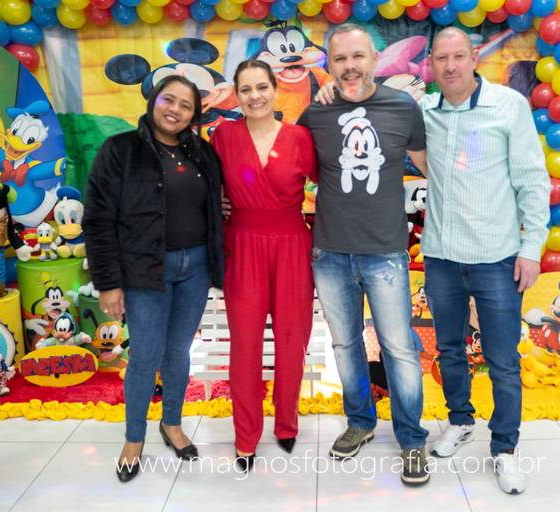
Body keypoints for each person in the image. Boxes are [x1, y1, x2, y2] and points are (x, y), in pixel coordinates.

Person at [297, 23, 430, 486]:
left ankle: (412, 439)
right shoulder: (316, 113)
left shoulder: (403, 106)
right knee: (345, 344)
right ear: (329, 65)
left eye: (357, 56)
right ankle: (360, 422)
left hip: (386, 253)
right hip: (330, 253)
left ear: (375, 59)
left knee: (399, 346)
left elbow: (429, 165)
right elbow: (289, 166)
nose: (349, 66)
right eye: (340, 59)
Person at [420, 27, 550, 495]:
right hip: (440, 256)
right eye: (441, 58)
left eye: (458, 56)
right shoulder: (425, 111)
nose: (450, 65)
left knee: (503, 359)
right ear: (431, 64)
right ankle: (460, 420)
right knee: (449, 349)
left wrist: (531, 249)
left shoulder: (508, 106)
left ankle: (505, 448)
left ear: (474, 57)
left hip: (496, 257)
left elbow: (532, 181)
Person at [83, 75, 225, 483]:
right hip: (144, 270)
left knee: (178, 351)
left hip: (195, 267)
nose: (175, 109)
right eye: (169, 99)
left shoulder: (203, 152)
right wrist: (109, 283)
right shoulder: (120, 150)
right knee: (145, 356)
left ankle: (172, 423)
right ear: (153, 100)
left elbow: (215, 203)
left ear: (194, 115)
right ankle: (134, 438)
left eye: (185, 105)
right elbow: (97, 220)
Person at [210, 59, 318, 472]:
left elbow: (332, 184)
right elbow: (205, 185)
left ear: (275, 90)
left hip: (291, 245)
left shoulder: (300, 137)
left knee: (292, 340)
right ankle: (245, 437)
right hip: (242, 245)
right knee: (245, 345)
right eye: (246, 89)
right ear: (236, 95)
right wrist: (218, 207)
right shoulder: (223, 136)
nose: (254, 96)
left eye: (261, 87)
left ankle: (286, 424)